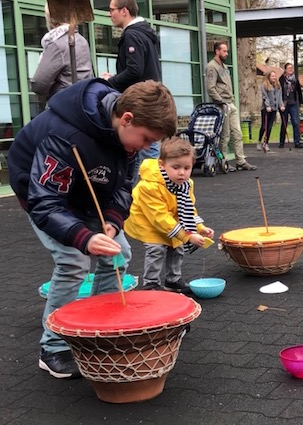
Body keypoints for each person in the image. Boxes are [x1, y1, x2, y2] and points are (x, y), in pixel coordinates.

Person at [7, 78, 177, 379]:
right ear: (126, 119)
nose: (148, 148)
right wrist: (83, 237)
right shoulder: (65, 135)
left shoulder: (127, 135)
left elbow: (124, 185)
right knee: (73, 261)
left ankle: (98, 329)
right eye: (147, 139)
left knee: (119, 254)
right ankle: (54, 348)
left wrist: (112, 221)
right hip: (43, 195)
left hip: (87, 194)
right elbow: (46, 202)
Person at [124, 137, 214, 293]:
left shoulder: (187, 184)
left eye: (187, 168)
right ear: (162, 164)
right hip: (146, 220)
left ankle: (173, 279)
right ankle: (151, 283)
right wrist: (187, 236)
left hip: (170, 218)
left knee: (177, 245)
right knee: (156, 248)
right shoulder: (150, 186)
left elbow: (188, 209)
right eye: (176, 167)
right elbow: (159, 218)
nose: (182, 173)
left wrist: (199, 228)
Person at [102, 0, 163, 178]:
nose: (109, 14)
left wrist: (110, 81)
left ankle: (150, 198)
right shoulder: (145, 34)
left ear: (124, 11)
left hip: (140, 104)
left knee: (146, 154)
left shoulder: (132, 36)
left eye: (111, 10)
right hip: (149, 100)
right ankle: (145, 197)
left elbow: (134, 70)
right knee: (145, 153)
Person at [206, 40, 257, 171]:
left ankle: (240, 160)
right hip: (222, 104)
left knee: (238, 133)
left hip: (230, 103)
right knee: (225, 135)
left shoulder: (225, 67)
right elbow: (210, 88)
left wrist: (231, 101)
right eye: (224, 51)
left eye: (226, 51)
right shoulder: (211, 67)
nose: (226, 53)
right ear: (217, 51)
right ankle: (223, 162)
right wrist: (221, 102)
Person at [31, 3, 93, 109]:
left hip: (62, 105)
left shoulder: (57, 44)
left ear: (51, 19)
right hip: (83, 102)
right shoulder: (82, 40)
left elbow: (39, 84)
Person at [278, 62, 303, 149]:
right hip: (284, 103)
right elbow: (278, 92)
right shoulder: (281, 79)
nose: (291, 69)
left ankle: (297, 142)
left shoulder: (295, 80)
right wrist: (279, 103)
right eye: (289, 68)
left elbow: (299, 91)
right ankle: (281, 142)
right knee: (284, 123)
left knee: (296, 122)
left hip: (293, 103)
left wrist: (301, 103)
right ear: (285, 70)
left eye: (292, 68)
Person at [257, 71, 285, 153]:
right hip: (266, 109)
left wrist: (281, 105)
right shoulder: (265, 85)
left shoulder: (278, 86)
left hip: (274, 108)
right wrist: (267, 106)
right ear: (268, 77)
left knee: (269, 127)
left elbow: (279, 97)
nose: (274, 77)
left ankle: (266, 143)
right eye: (272, 76)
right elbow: (265, 97)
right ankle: (259, 140)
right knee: (264, 126)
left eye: (275, 76)